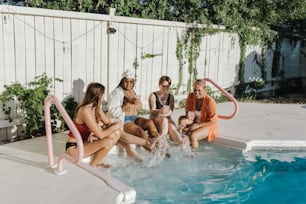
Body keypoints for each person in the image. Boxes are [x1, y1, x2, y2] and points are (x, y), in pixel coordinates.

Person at [65, 82, 121, 168]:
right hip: (74, 148)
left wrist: (114, 125)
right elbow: (101, 135)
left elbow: (108, 123)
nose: (103, 97)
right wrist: (115, 125)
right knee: (108, 140)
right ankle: (93, 165)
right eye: (103, 95)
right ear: (98, 96)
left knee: (117, 133)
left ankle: (97, 162)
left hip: (85, 143)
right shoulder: (84, 111)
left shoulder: (96, 108)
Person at [108, 70, 161, 154]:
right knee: (139, 132)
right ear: (122, 81)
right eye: (126, 81)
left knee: (150, 122)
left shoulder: (135, 92)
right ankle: (153, 152)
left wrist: (138, 104)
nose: (129, 84)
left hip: (135, 118)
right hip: (124, 120)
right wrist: (127, 103)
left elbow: (139, 109)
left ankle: (159, 147)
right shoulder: (116, 93)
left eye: (131, 82)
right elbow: (113, 111)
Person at [178, 79, 218, 149]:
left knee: (193, 135)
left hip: (208, 125)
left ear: (204, 89)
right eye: (194, 90)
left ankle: (194, 155)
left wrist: (198, 125)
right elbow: (188, 112)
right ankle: (182, 146)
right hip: (195, 121)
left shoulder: (210, 101)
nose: (196, 93)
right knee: (181, 120)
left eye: (199, 90)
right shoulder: (191, 96)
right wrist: (186, 123)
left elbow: (213, 121)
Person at [148, 76, 187, 147]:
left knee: (172, 127)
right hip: (155, 117)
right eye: (163, 86)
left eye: (167, 86)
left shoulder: (170, 97)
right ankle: (162, 143)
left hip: (165, 117)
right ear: (159, 85)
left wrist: (163, 115)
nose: (165, 88)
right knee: (165, 121)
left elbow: (171, 111)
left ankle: (181, 144)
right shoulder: (153, 95)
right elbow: (152, 111)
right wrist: (160, 112)